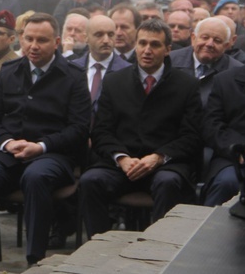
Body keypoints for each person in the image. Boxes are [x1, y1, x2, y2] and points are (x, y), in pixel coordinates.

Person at [0, 13, 91, 273]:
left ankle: (34, 260)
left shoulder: (73, 76)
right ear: (21, 39)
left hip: (53, 154)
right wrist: (6, 142)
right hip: (10, 152)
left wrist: (41, 147)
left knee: (36, 177)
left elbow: (80, 128)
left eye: (41, 40)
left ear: (57, 42)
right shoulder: (10, 71)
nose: (33, 46)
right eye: (28, 39)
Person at [79, 19, 202, 239]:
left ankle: (161, 249)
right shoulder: (115, 82)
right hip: (122, 165)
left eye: (155, 45)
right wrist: (121, 158)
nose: (147, 50)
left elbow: (191, 136)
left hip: (165, 165)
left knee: (168, 183)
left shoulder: (186, 85)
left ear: (167, 50)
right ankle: (97, 248)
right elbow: (101, 132)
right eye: (142, 43)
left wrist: (158, 157)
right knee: (90, 181)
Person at [201, 62, 245, 206]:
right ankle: (208, 228)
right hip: (233, 157)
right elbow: (212, 126)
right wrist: (242, 150)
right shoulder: (225, 81)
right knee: (227, 183)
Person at [169, 17, 242, 106]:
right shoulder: (170, 61)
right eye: (205, 38)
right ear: (193, 38)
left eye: (217, 40)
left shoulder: (236, 72)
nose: (209, 44)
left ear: (226, 46)